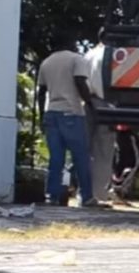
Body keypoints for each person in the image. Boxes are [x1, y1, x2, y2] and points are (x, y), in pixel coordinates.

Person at [37, 38, 107, 208]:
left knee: (56, 159)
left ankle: (52, 196)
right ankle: (87, 196)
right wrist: (90, 104)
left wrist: (41, 116)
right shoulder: (76, 59)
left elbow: (41, 92)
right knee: (81, 156)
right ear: (71, 45)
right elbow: (80, 82)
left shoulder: (46, 63)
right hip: (72, 112)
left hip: (51, 113)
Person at [84, 29, 114, 202]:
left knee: (85, 150)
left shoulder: (88, 54)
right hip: (107, 103)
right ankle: (99, 194)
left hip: (88, 102)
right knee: (104, 151)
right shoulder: (112, 55)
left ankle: (84, 193)